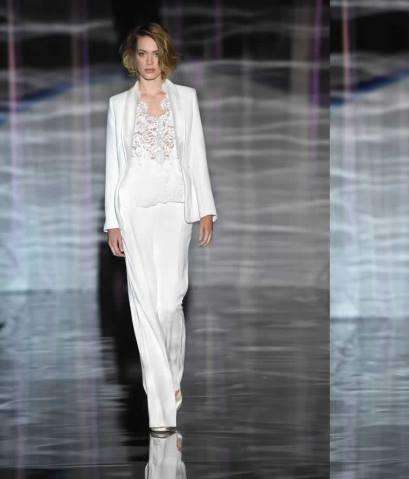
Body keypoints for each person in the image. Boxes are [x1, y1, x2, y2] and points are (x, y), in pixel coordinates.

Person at [104, 22, 217, 434]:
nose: (149, 61)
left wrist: (206, 209)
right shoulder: (119, 105)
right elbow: (114, 165)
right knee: (144, 306)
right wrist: (112, 221)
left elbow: (196, 155)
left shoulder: (185, 99)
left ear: (164, 55)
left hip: (174, 210)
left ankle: (171, 376)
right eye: (143, 53)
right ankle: (161, 406)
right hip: (134, 211)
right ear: (132, 58)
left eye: (155, 53)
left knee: (169, 303)